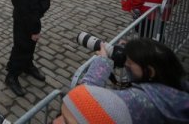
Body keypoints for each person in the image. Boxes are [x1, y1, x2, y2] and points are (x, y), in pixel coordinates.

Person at [54, 38, 189, 124]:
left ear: (150, 71)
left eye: (130, 62)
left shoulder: (139, 101)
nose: (126, 64)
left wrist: (102, 62)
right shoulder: (176, 88)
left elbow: (84, 99)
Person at [5, 0, 50, 97]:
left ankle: (27, 65)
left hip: (23, 14)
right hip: (27, 19)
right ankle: (12, 75)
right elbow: (29, 8)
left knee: (28, 46)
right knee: (22, 46)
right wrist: (35, 29)